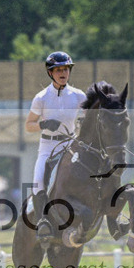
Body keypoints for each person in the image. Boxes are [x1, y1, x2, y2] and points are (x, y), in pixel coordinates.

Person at [24, 51, 86, 242]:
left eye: (65, 69)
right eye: (58, 69)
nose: (63, 73)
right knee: (39, 180)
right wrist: (43, 124)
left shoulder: (79, 96)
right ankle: (43, 220)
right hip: (48, 146)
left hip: (70, 144)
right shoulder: (41, 98)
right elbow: (28, 126)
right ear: (50, 73)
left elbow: (86, 120)